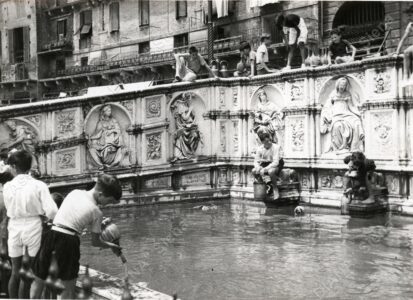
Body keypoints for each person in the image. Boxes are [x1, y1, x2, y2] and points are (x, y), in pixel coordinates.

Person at [31, 174, 123, 299]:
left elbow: (71, 217)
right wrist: (111, 245)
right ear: (101, 194)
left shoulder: (74, 192)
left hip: (50, 234)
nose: (108, 204)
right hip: (68, 242)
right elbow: (95, 242)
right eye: (110, 200)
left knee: (39, 280)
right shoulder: (97, 212)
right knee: (67, 290)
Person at [2, 150, 58, 299]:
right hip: (33, 226)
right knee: (31, 272)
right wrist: (44, 218)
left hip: (14, 226)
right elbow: (52, 211)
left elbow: (8, 208)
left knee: (15, 272)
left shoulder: (7, 186)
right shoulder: (39, 185)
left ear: (14, 166)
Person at [320, 77, 364, 154]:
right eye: (341, 85)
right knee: (338, 125)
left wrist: (359, 114)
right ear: (338, 84)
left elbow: (351, 106)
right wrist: (327, 115)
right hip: (336, 115)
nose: (342, 87)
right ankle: (341, 148)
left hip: (347, 113)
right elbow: (327, 106)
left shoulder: (347, 94)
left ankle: (355, 147)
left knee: (356, 122)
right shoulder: (333, 94)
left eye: (344, 85)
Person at [88, 104, 126, 169]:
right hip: (103, 144)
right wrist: (90, 138)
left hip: (114, 142)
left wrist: (111, 131)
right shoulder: (100, 123)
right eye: (108, 110)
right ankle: (100, 165)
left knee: (122, 148)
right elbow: (97, 134)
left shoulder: (113, 120)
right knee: (92, 149)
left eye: (110, 110)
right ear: (103, 112)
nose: (110, 111)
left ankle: (112, 164)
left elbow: (118, 130)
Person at [252, 132, 282, 200]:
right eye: (266, 141)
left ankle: (275, 188)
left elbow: (276, 162)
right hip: (266, 163)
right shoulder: (260, 148)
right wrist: (258, 167)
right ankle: (266, 185)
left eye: (269, 140)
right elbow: (256, 161)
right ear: (262, 142)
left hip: (277, 163)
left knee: (271, 171)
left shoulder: (276, 147)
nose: (269, 142)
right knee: (254, 171)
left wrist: (265, 169)